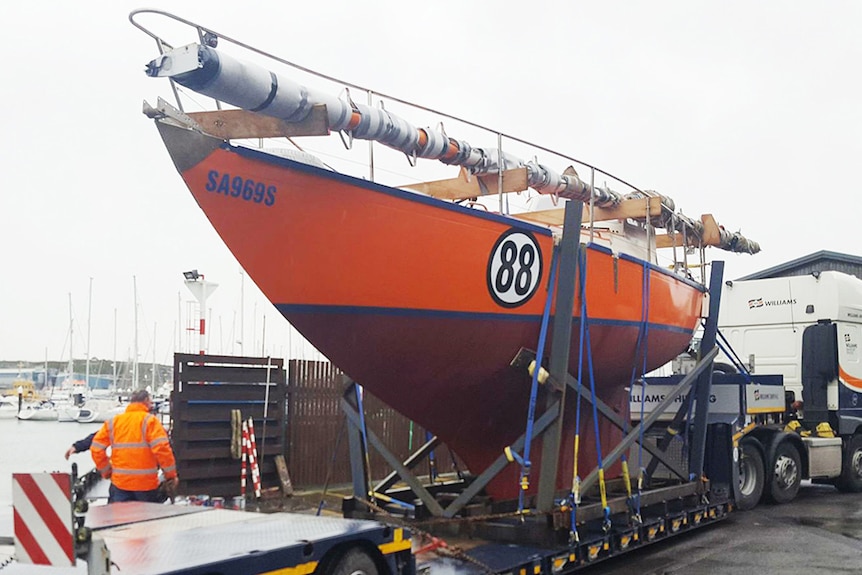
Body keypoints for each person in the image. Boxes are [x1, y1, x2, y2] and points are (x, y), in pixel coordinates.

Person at [91, 389, 179, 503]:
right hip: (146, 486)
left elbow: (96, 449)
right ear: (146, 400)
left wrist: (106, 471)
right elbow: (162, 450)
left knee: (120, 519)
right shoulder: (150, 422)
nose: (151, 404)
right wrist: (170, 476)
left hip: (120, 484)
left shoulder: (114, 422)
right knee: (147, 519)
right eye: (150, 401)